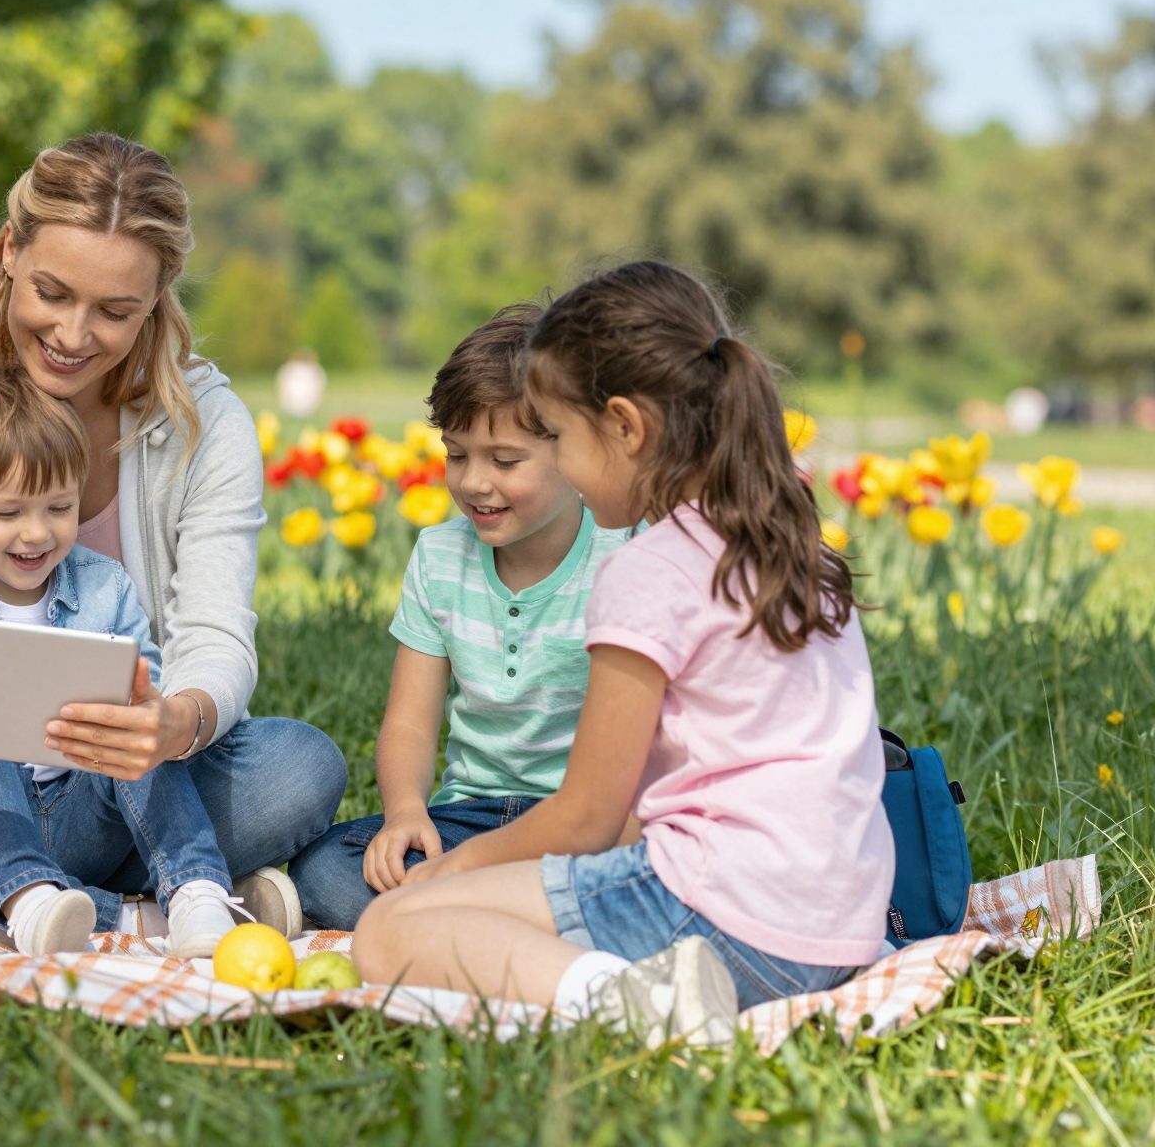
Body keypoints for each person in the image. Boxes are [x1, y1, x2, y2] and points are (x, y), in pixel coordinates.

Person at [351, 261, 894, 1047]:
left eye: (559, 439)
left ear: (625, 427)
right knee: (452, 900)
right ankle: (642, 982)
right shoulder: (785, 539)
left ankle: (632, 1001)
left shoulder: (646, 568)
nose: (562, 464)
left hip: (727, 918)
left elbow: (587, 816)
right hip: (839, 927)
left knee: (389, 930)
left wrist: (458, 872)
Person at [0, 133, 346, 936]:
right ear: (10, 251)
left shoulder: (204, 424)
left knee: (301, 766)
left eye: (116, 311)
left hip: (128, 784)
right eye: (53, 291)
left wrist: (171, 723)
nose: (74, 335)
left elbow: (215, 642)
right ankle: (140, 906)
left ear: (158, 300)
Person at [0, 366, 250, 956]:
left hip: (88, 803)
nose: (37, 534)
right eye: (8, 513)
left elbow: (146, 692)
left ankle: (196, 891)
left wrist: (143, 716)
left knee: (138, 729)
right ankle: (40, 904)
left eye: (60, 507)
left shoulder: (106, 587)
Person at [289, 304, 630, 930]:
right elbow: (411, 725)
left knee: (644, 871)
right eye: (456, 454)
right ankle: (520, 917)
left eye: (505, 461)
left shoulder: (625, 557)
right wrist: (404, 815)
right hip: (471, 820)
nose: (474, 482)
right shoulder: (440, 556)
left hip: (587, 824)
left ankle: (464, 917)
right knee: (323, 869)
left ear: (576, 449)